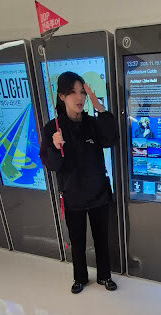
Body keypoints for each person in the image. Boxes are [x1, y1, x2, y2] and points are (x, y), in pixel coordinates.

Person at [39, 72, 118, 294]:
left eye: (82, 92)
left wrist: (99, 107)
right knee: (77, 241)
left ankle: (105, 276)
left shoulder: (92, 123)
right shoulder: (53, 128)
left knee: (102, 238)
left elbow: (111, 139)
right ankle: (80, 277)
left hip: (99, 193)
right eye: (73, 92)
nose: (79, 97)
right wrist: (55, 147)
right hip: (73, 195)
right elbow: (52, 165)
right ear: (62, 96)